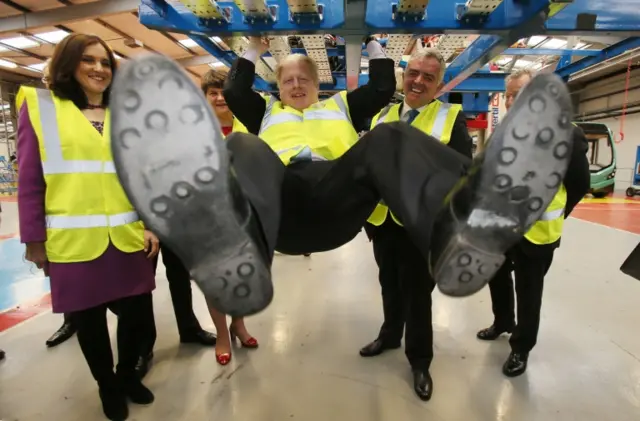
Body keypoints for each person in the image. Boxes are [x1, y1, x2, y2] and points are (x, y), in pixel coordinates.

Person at [106, 36, 575, 326]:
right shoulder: (264, 110)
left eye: (302, 80)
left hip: (336, 205)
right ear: (278, 86)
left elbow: (377, 88)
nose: (294, 86)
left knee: (389, 135)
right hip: (283, 208)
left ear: (315, 84)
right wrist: (253, 51)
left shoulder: (340, 106)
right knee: (243, 147)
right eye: (286, 80)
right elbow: (232, 91)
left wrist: (375, 49)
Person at [17, 34, 157, 421]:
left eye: (105, 62)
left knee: (137, 318)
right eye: (88, 60)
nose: (99, 68)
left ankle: (127, 375)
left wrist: (149, 224)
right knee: (89, 323)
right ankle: (107, 386)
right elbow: (29, 179)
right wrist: (33, 239)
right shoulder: (41, 107)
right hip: (74, 240)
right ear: (68, 64)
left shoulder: (125, 112)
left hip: (127, 237)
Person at [359, 48, 473, 401]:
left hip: (422, 226)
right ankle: (390, 334)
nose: (418, 81)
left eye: (428, 77)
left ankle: (420, 359)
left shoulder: (451, 118)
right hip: (385, 220)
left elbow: (462, 172)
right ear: (403, 76)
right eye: (414, 74)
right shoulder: (383, 116)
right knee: (389, 283)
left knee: (418, 294)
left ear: (439, 85)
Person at [475, 69, 591, 377]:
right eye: (510, 94)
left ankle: (520, 347)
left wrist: (554, 215)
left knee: (529, 292)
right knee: (496, 276)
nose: (515, 99)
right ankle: (502, 321)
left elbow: (578, 184)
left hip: (536, 233)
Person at [201, 69, 258, 365]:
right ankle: (222, 334)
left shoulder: (248, 126)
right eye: (213, 92)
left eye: (224, 91)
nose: (220, 97)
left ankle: (240, 323)